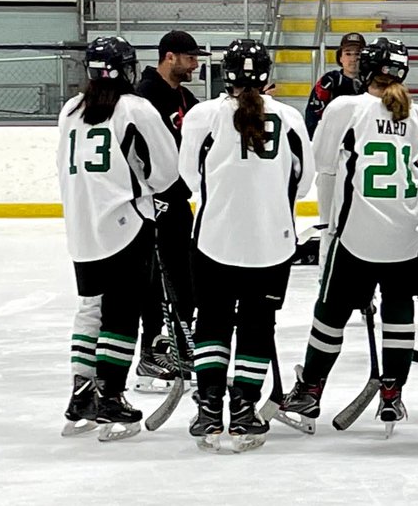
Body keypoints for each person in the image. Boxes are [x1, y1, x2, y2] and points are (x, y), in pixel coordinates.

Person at [276, 38, 418, 437]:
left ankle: (310, 388)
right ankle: (393, 393)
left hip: (355, 233)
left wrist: (328, 225)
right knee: (398, 310)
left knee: (331, 312)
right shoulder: (417, 115)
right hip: (406, 234)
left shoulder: (344, 108)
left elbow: (321, 165)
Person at [179, 39, 314, 453]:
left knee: (213, 323)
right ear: (267, 75)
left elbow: (190, 177)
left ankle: (208, 408)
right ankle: (242, 409)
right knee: (257, 327)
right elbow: (303, 180)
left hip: (215, 240)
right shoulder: (289, 117)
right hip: (272, 243)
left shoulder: (203, 115)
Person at [58, 36, 180, 441]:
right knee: (122, 312)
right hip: (126, 222)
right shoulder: (135, 107)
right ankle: (111, 395)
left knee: (90, 305)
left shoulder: (70, 109)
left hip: (82, 225)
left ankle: (81, 392)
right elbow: (166, 171)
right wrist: (145, 189)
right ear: (127, 68)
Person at [133, 29, 208, 391]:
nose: (195, 63)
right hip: (153, 202)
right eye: (190, 57)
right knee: (155, 277)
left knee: (182, 273)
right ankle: (151, 350)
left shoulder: (184, 96)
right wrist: (147, 192)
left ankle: (178, 343)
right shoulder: (145, 96)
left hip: (176, 199)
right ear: (169, 57)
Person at [305, 32, 366, 137]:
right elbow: (312, 117)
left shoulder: (372, 82)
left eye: (358, 54)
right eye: (348, 53)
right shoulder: (329, 81)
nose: (353, 59)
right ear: (340, 57)